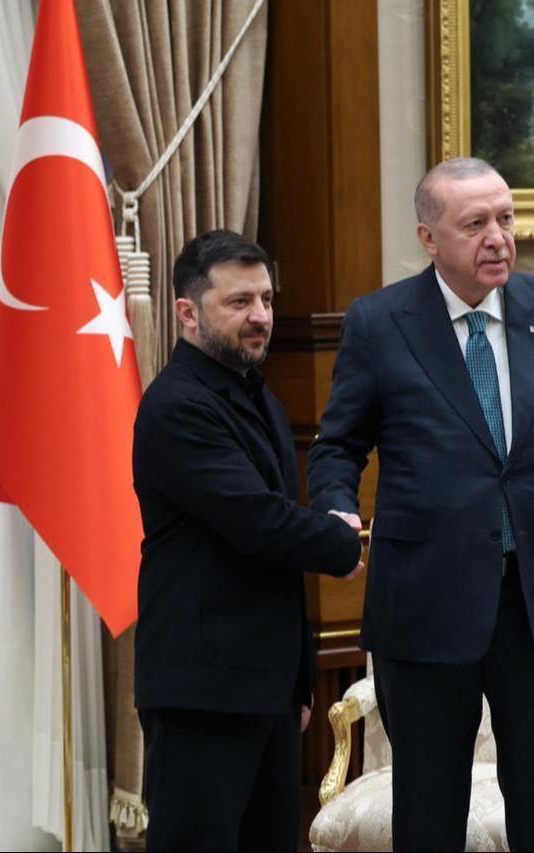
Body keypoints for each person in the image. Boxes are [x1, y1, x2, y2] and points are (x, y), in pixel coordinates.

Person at [307, 158, 534, 851]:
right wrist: (334, 505)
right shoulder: (379, 322)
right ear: (429, 236)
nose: (498, 237)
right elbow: (337, 446)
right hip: (423, 606)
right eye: (475, 223)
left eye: (505, 218)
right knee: (429, 813)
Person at [133, 229, 364, 852]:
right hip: (202, 693)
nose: (260, 316)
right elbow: (257, 520)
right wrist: (342, 543)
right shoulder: (176, 406)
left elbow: (271, 560)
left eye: (265, 299)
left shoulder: (255, 394)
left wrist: (296, 683)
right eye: (239, 303)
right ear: (188, 312)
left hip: (264, 690)